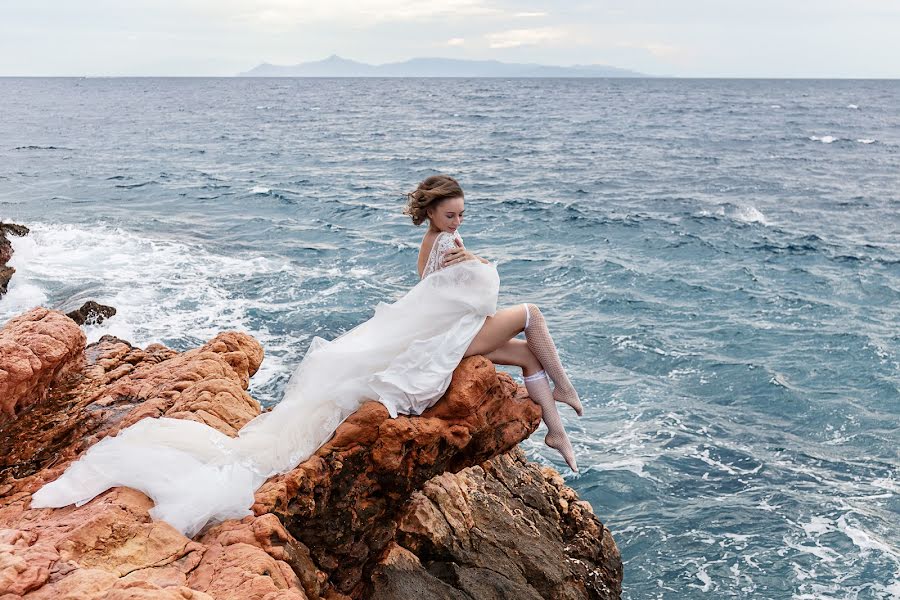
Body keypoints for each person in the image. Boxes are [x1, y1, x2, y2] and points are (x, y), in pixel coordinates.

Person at [30, 174, 581, 538]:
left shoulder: (433, 245)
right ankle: (568, 392)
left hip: (455, 333)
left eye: (462, 214)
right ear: (434, 214)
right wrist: (479, 265)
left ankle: (556, 427)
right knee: (530, 315)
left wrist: (468, 265)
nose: (458, 222)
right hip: (453, 340)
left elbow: (431, 289)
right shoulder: (448, 244)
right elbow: (469, 292)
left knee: (523, 355)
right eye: (451, 214)